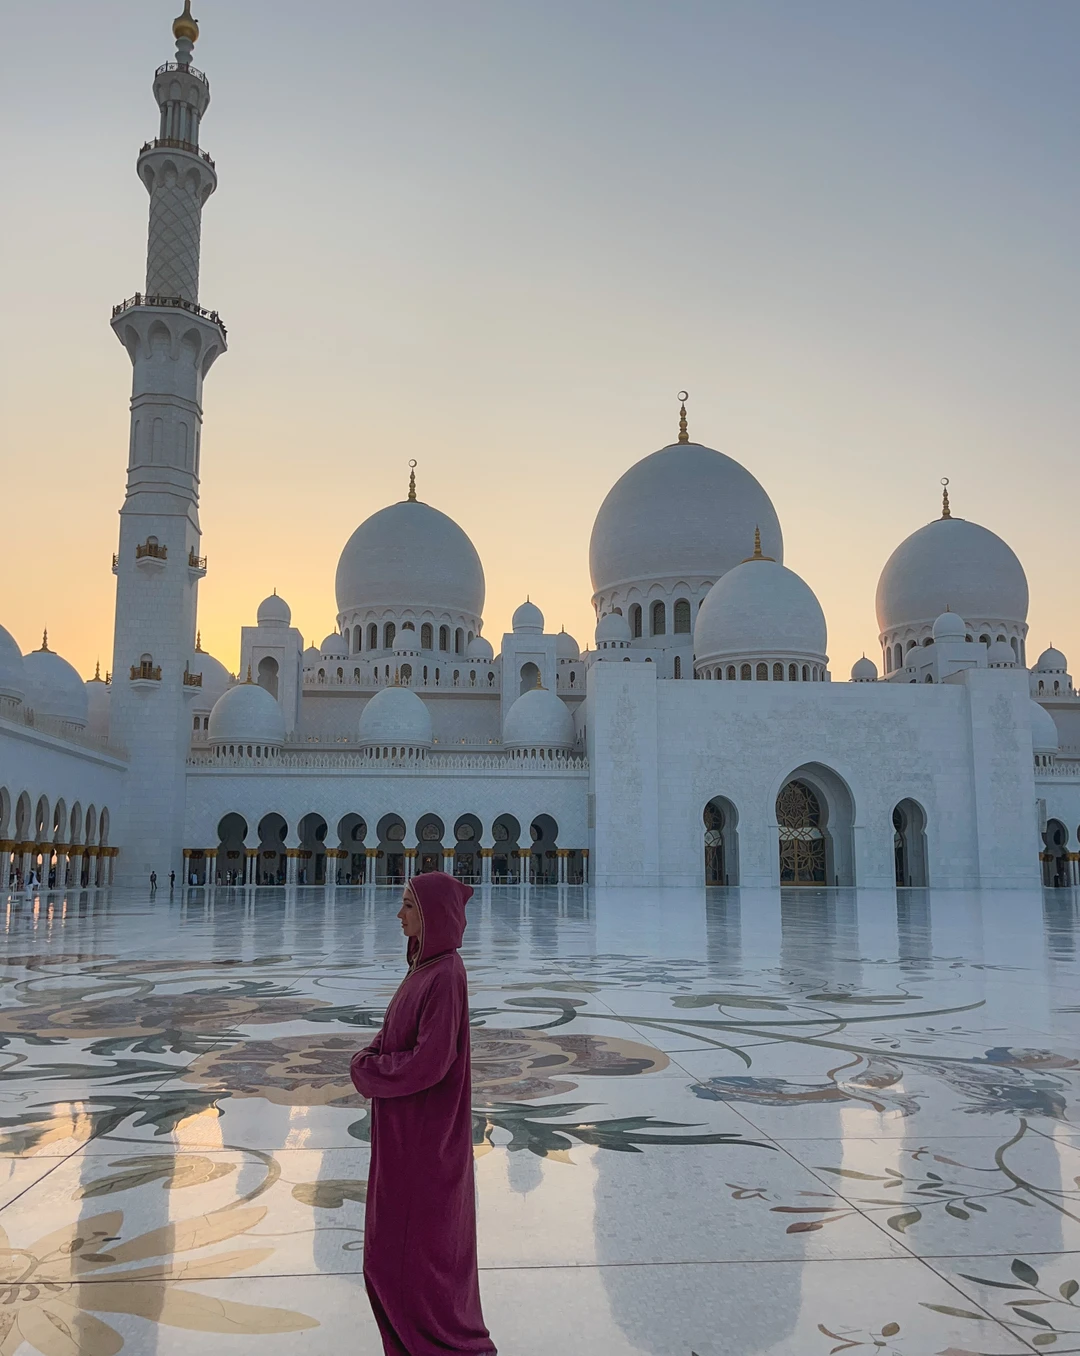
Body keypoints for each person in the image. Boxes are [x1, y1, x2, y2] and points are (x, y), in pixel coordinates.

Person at [350, 873, 495, 1356]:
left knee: (414, 1260)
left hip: (423, 1142)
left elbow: (428, 1063)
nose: (399, 914)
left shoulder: (445, 975)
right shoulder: (424, 968)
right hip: (403, 1135)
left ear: (433, 915)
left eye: (408, 905)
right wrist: (369, 1059)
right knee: (387, 1257)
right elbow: (392, 1032)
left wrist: (369, 1074)